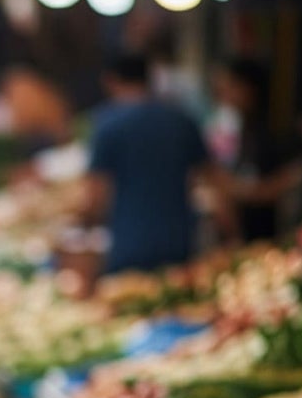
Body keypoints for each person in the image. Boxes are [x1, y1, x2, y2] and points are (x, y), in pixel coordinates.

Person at [80, 53, 210, 275]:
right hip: (179, 239)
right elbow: (211, 180)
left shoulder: (107, 125)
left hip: (129, 242)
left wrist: (85, 227)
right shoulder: (181, 119)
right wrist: (234, 236)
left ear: (110, 80)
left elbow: (96, 195)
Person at [210, 57, 302, 244]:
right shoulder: (243, 129)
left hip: (280, 236)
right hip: (250, 240)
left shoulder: (278, 129)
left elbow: (290, 178)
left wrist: (237, 190)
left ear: (248, 89)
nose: (224, 95)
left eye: (230, 86)